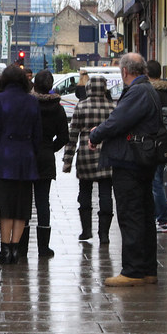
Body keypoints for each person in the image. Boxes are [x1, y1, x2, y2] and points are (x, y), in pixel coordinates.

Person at [88, 53, 162, 287]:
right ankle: (147, 269)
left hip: (130, 162)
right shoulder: (147, 89)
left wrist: (95, 134)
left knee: (131, 216)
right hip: (139, 161)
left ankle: (133, 271)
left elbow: (118, 120)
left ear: (124, 72)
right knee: (143, 215)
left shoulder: (138, 91)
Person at [0, 64, 41, 265]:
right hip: (25, 160)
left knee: (5, 207)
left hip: (3, 158)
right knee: (22, 207)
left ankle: (5, 250)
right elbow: (38, 135)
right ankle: (16, 249)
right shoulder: (32, 102)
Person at [15, 70, 68, 259]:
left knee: (24, 201)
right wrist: (49, 148)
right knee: (43, 201)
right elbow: (64, 136)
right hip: (45, 156)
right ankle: (44, 248)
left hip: (27, 155)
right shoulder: (58, 108)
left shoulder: (28, 105)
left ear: (34, 85)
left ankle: (22, 247)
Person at [62, 76, 116, 243]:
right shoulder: (112, 108)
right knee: (105, 194)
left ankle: (86, 231)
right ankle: (104, 234)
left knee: (84, 192)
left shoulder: (82, 106)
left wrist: (67, 161)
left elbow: (73, 135)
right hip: (107, 155)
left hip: (86, 154)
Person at [147, 60, 167, 234]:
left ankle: (162, 220)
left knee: (155, 182)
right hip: (166, 142)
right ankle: (159, 219)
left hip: (153, 142)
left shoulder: (153, 93)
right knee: (156, 180)